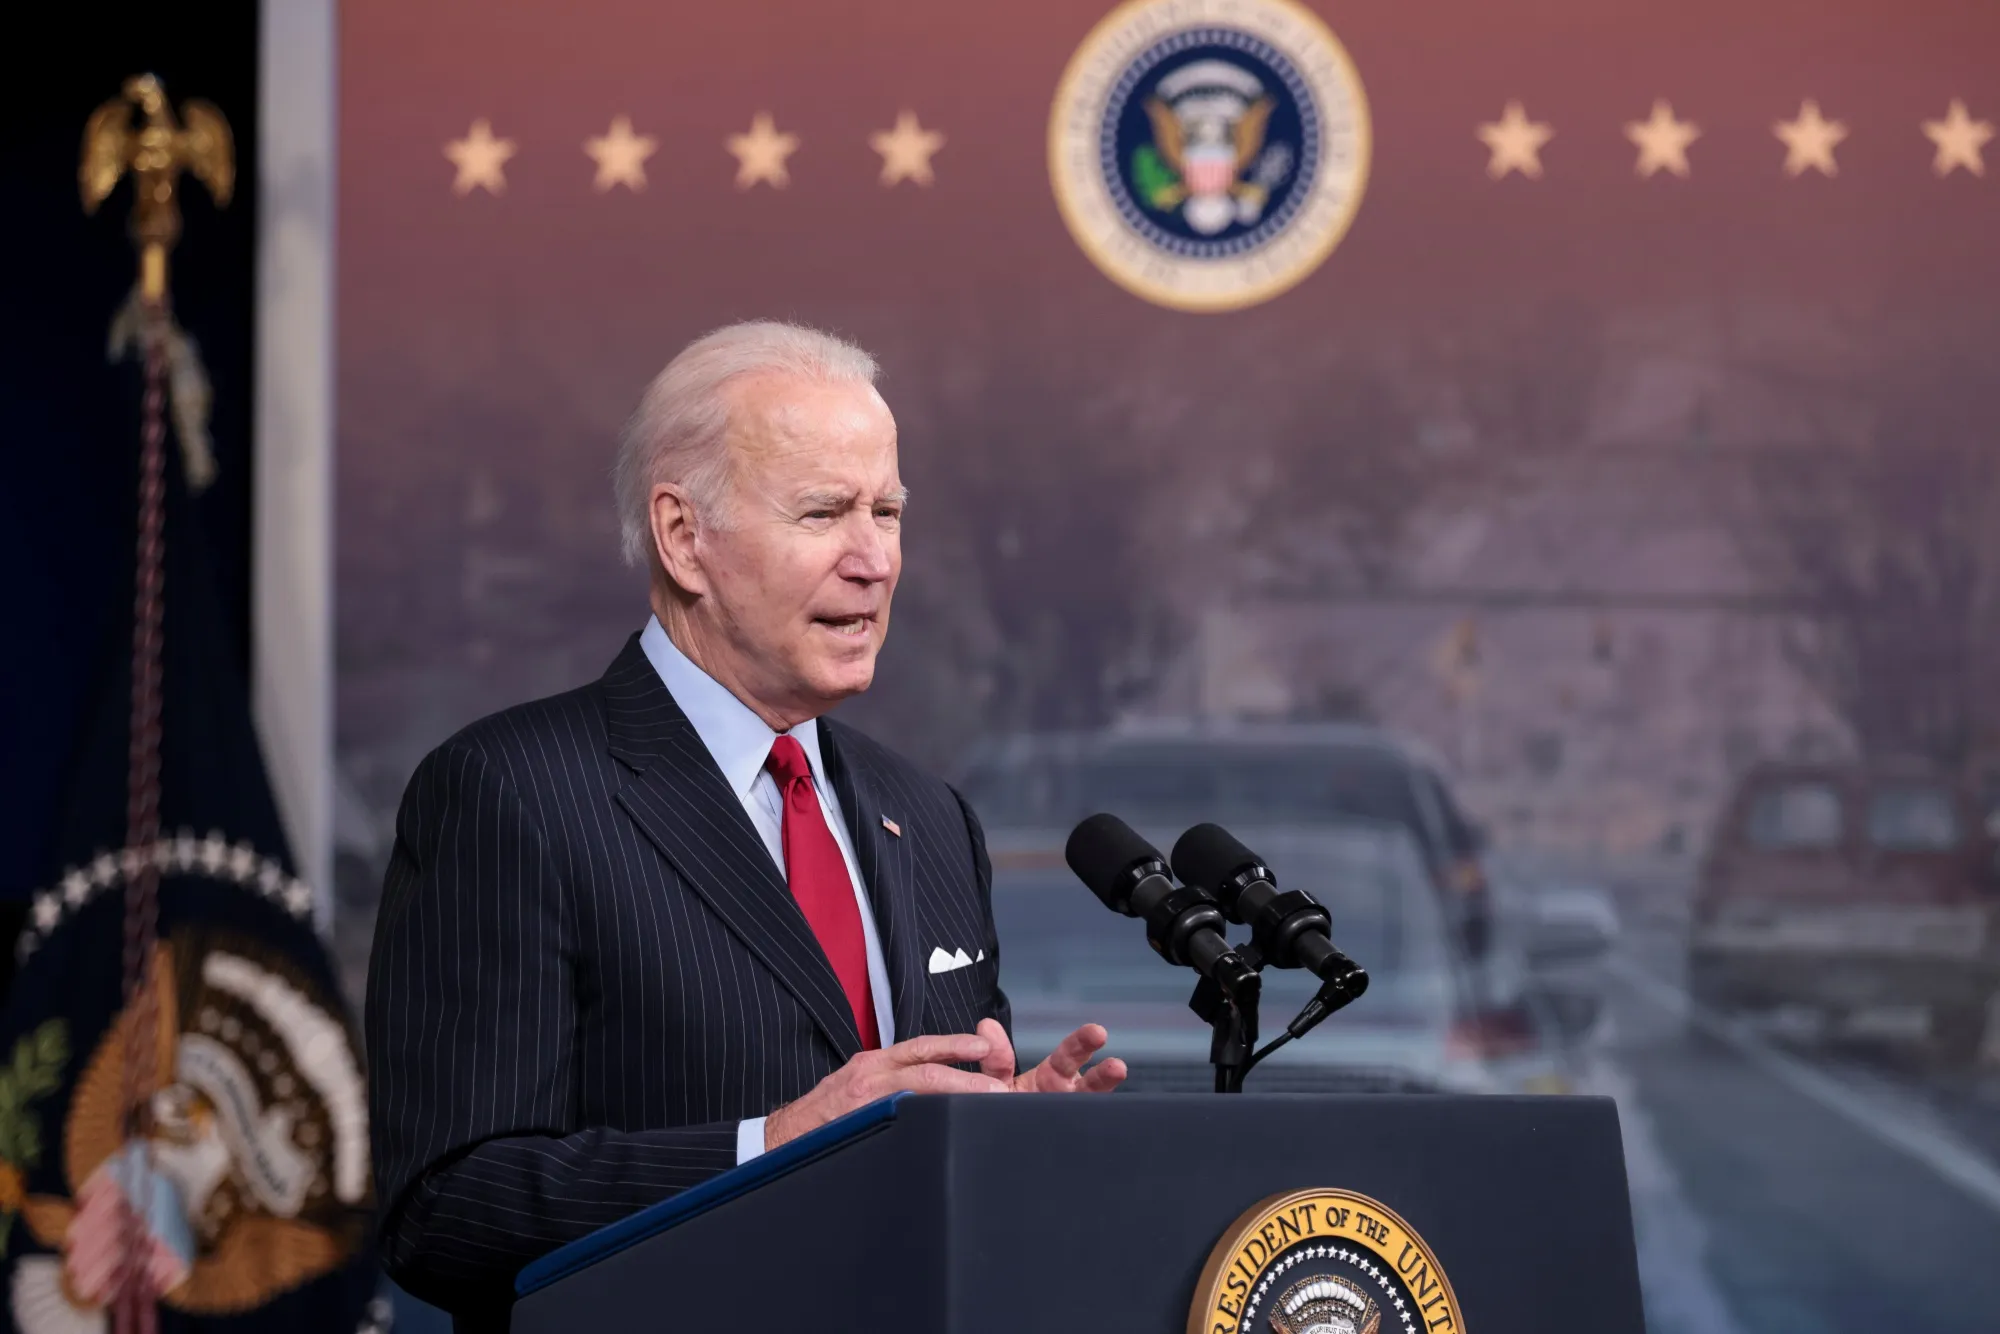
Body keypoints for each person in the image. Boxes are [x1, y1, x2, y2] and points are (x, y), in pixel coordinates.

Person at [366, 321, 1125, 1328]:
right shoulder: (510, 792)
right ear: (684, 537)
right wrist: (771, 1143)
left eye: (887, 511)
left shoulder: (930, 817)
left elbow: (935, 1155)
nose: (873, 560)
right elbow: (445, 1209)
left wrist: (1011, 1145)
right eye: (822, 512)